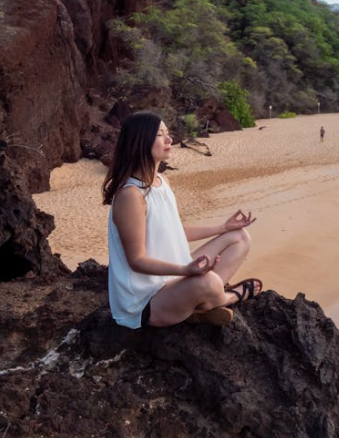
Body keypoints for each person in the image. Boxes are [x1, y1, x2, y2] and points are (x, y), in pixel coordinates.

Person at [103, 111, 262, 329]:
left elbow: (174, 230)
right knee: (211, 281)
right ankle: (227, 298)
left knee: (239, 237)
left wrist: (223, 228)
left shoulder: (161, 181)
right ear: (140, 141)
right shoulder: (130, 195)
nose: (169, 140)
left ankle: (199, 302)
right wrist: (187, 271)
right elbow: (136, 260)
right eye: (160, 135)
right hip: (145, 302)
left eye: (167, 134)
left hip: (172, 280)